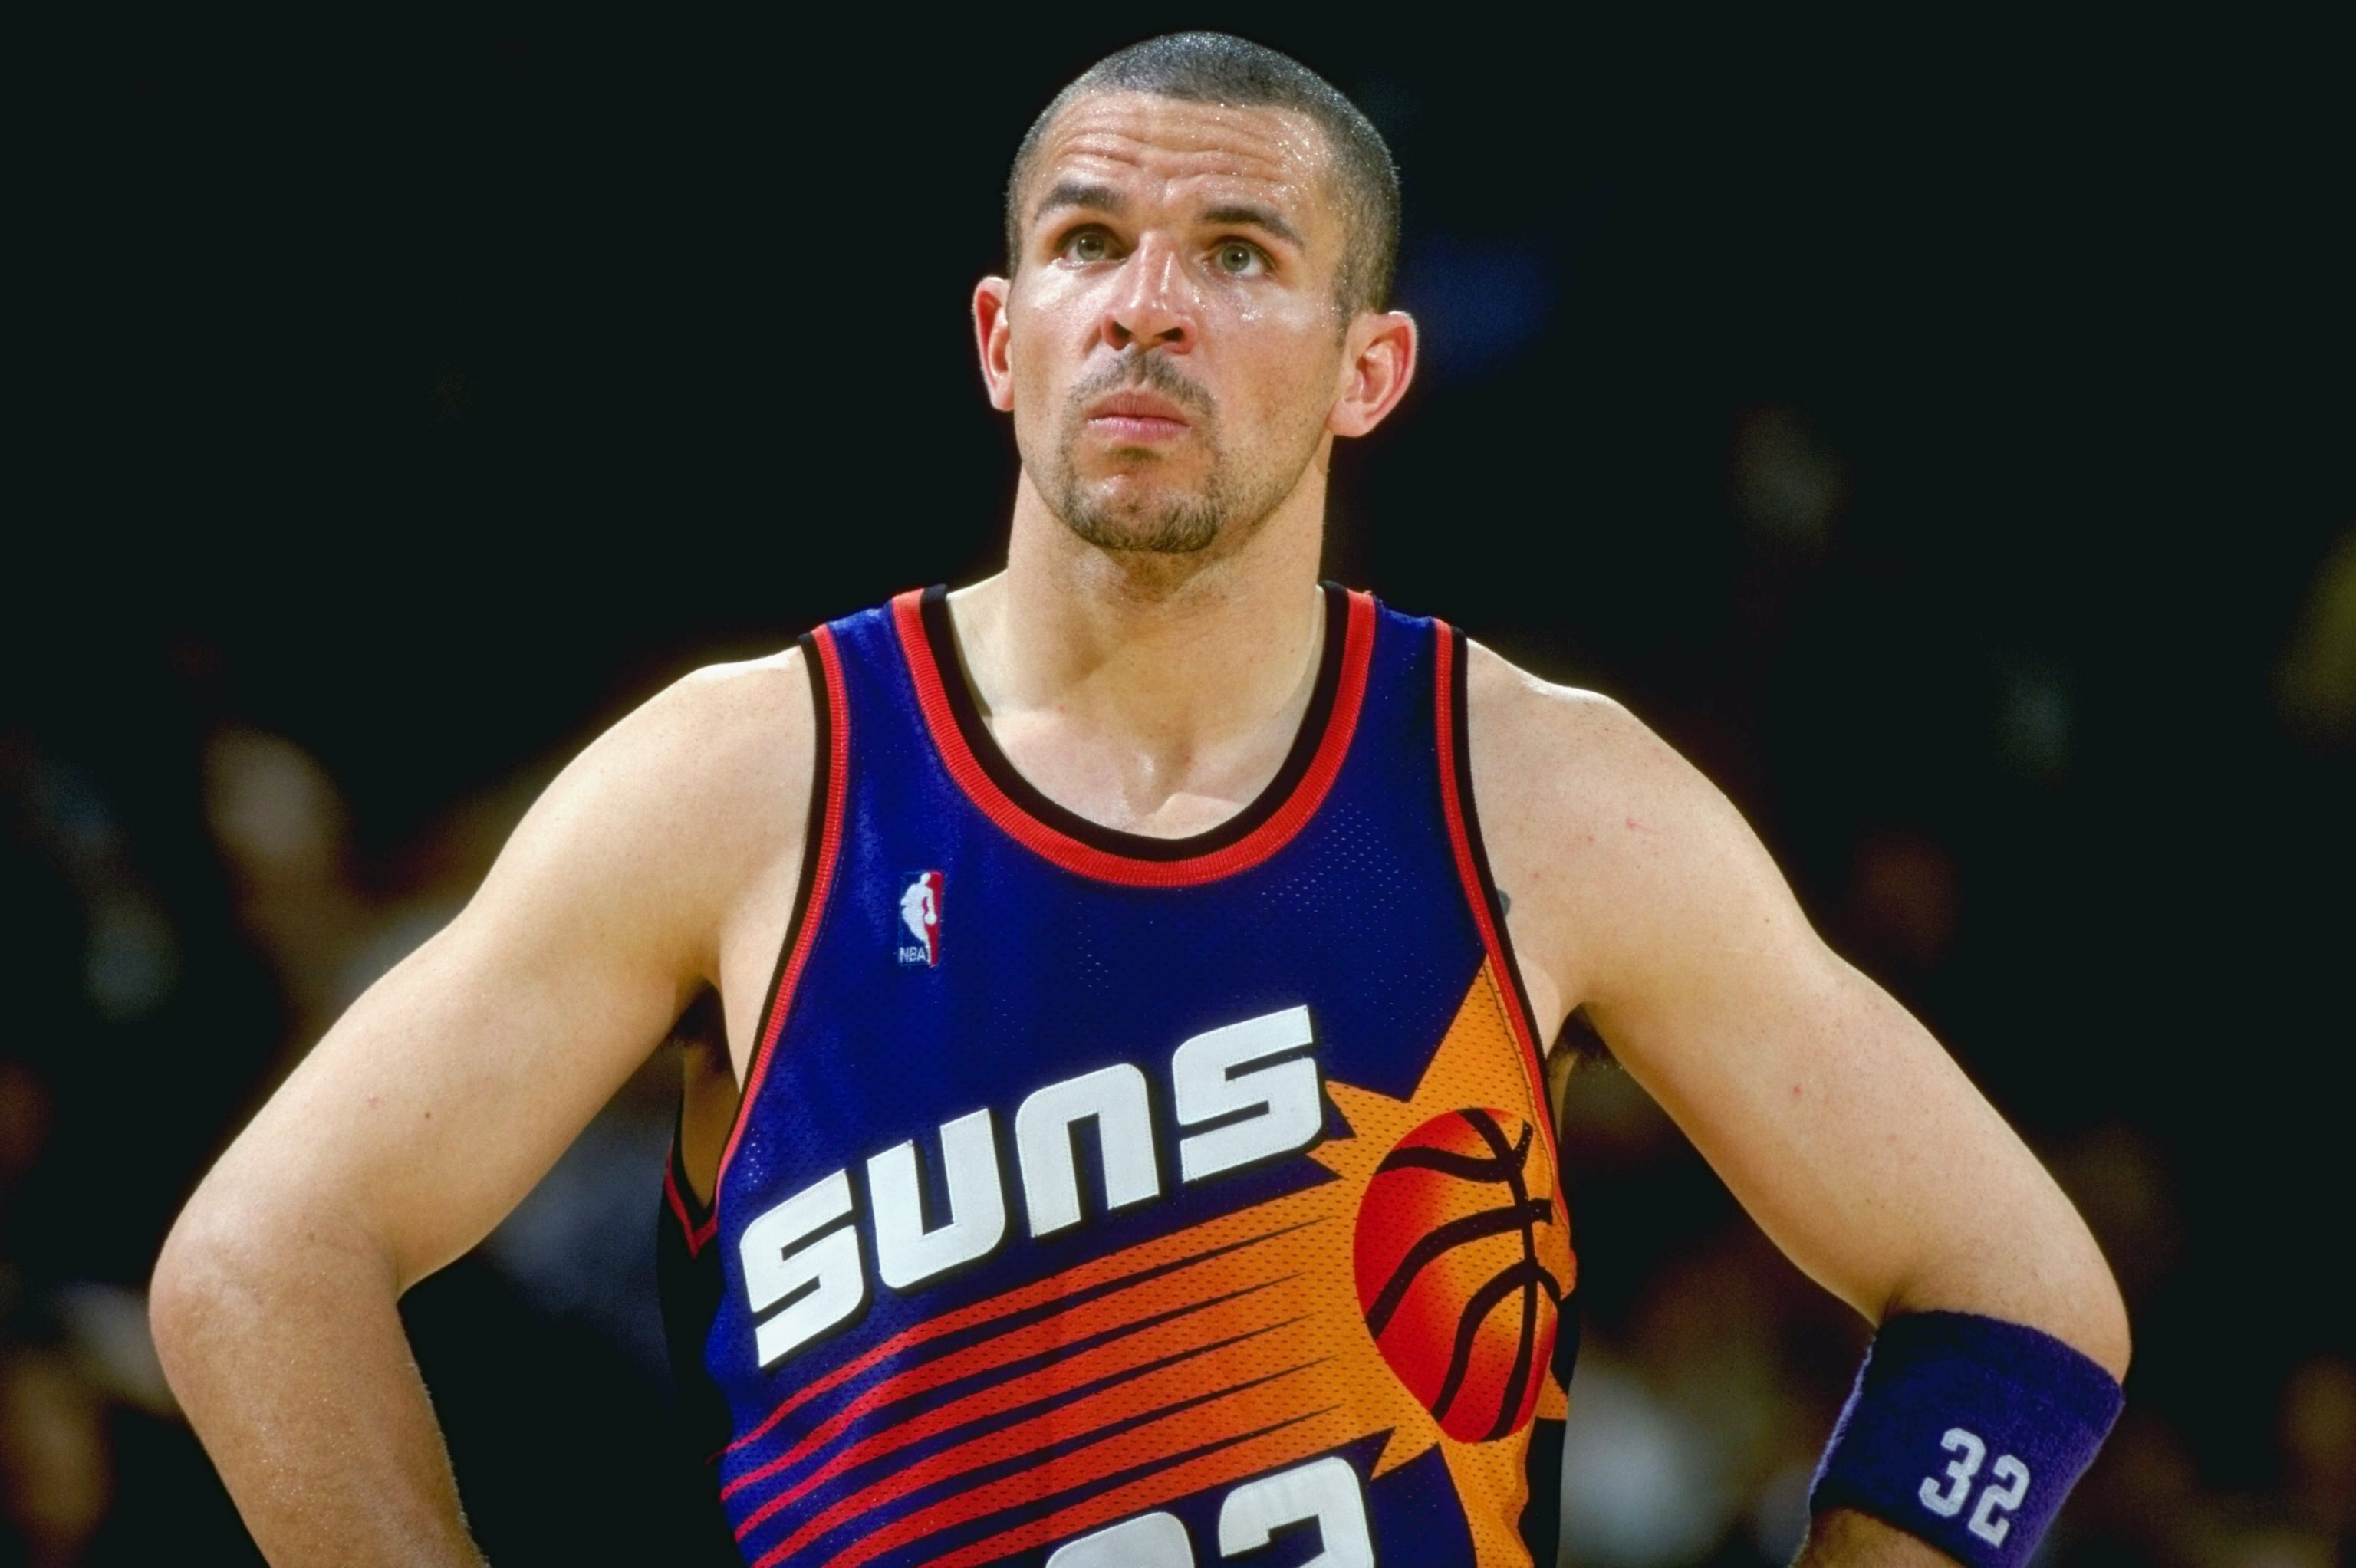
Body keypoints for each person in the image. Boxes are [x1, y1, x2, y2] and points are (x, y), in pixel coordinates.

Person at [150, 32, 2129, 1568]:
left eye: (1239, 257)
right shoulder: (749, 777)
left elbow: (2019, 1305)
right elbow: (261, 1264)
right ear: (1005, 340)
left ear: (1373, 371)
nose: (1148, 303)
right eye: (1090, 243)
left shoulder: (1542, 792)